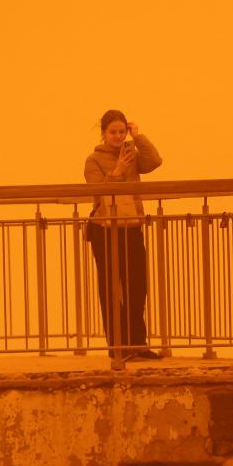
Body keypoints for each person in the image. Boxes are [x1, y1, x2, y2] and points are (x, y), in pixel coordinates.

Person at [84, 109, 163, 360]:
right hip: (104, 228)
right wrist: (117, 171)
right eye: (113, 132)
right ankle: (117, 346)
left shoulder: (132, 154)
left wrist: (138, 137)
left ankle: (137, 343)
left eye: (121, 131)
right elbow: (96, 190)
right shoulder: (93, 160)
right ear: (104, 133)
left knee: (137, 286)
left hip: (131, 224)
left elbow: (154, 161)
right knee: (110, 287)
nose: (118, 136)